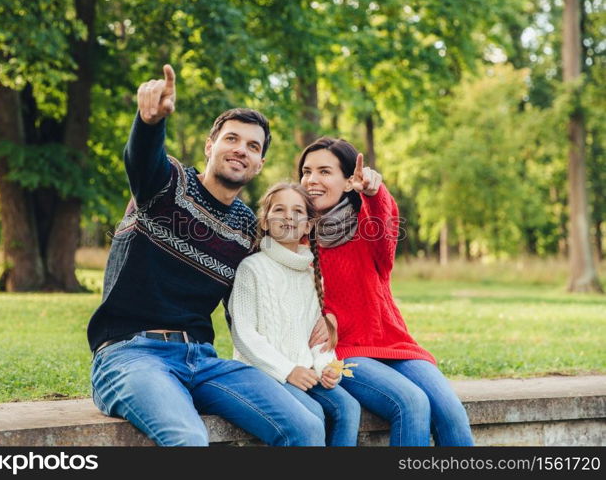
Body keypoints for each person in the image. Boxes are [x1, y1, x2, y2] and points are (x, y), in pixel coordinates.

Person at [87, 64, 326, 446]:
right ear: (209, 146)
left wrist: (327, 316)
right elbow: (141, 160)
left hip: (203, 361)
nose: (241, 150)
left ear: (260, 163)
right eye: (232, 139)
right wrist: (149, 123)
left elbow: (278, 279)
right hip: (131, 356)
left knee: (308, 427)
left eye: (253, 146)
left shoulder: (247, 226)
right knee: (188, 439)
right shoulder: (166, 186)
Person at [299, 137, 474, 446]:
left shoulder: (367, 229)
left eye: (325, 171)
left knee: (451, 413)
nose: (312, 180)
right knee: (411, 403)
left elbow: (386, 219)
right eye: (306, 171)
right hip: (344, 352)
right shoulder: (296, 237)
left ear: (348, 180)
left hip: (395, 345)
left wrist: (374, 190)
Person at [229, 182, 361, 446]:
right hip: (265, 373)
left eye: (298, 211)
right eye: (279, 209)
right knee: (312, 414)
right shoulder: (252, 268)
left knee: (348, 408)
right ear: (265, 222)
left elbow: (317, 336)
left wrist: (325, 367)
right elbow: (244, 334)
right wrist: (288, 370)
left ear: (308, 225)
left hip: (304, 373)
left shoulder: (311, 274)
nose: (289, 216)